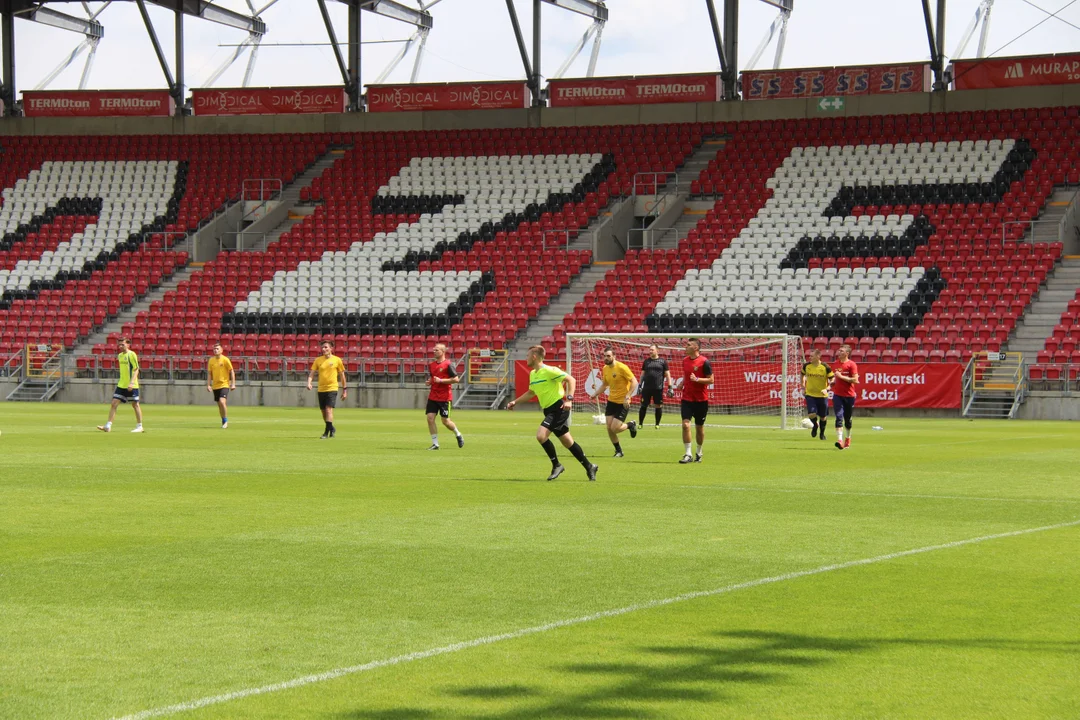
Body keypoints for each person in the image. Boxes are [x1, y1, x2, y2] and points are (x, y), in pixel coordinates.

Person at [506, 345, 598, 482]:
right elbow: (531, 392)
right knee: (567, 441)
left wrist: (569, 400)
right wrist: (515, 402)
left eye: (527, 355)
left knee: (541, 436)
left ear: (534, 357)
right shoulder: (533, 374)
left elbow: (571, 379)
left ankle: (557, 465)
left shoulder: (550, 370)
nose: (526, 358)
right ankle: (589, 466)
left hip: (559, 408)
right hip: (548, 410)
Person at [588, 347, 638, 457]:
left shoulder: (622, 367)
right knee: (609, 428)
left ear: (614, 356)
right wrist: (595, 394)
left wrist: (628, 396)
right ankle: (618, 451)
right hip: (611, 401)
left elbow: (634, 381)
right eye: (604, 356)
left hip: (622, 402)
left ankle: (631, 425)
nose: (606, 358)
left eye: (608, 356)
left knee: (615, 428)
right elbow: (605, 385)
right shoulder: (605, 368)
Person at [97, 337, 144, 433]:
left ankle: (140, 426)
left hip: (132, 385)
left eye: (122, 344)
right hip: (122, 384)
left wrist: (131, 382)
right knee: (114, 403)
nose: (120, 346)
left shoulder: (132, 355)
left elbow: (136, 369)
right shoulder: (120, 356)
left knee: (135, 405)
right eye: (119, 344)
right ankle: (108, 426)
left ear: (128, 344)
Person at [679, 337, 713, 464]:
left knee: (699, 428)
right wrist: (682, 382)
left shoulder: (705, 362)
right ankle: (688, 454)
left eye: (688, 345)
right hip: (687, 398)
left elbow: (711, 380)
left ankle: (699, 451)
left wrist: (697, 379)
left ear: (695, 348)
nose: (685, 347)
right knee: (685, 425)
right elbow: (686, 375)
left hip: (701, 400)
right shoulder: (685, 361)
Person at [425, 343, 464, 450]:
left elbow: (456, 379)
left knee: (445, 421)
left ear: (443, 352)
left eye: (436, 350)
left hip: (445, 397)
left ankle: (458, 434)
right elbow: (433, 378)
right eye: (433, 350)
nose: (434, 352)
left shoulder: (448, 364)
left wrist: (441, 381)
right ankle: (435, 444)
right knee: (430, 418)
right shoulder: (432, 365)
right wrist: (430, 382)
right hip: (433, 396)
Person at [306, 340, 347, 439]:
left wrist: (344, 389)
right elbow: (312, 373)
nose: (323, 349)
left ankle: (326, 433)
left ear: (331, 348)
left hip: (332, 388)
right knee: (323, 412)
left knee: (329, 410)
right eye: (322, 347)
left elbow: (342, 375)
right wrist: (309, 383)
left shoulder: (337, 360)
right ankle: (331, 428)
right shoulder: (318, 360)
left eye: (326, 347)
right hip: (321, 389)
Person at [638, 344, 673, 429]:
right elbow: (642, 374)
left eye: (652, 350)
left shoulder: (663, 361)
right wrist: (640, 385)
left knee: (658, 406)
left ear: (657, 351)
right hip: (646, 388)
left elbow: (668, 374)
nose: (650, 351)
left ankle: (657, 424)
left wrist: (670, 387)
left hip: (658, 388)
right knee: (643, 406)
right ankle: (640, 424)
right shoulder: (646, 361)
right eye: (649, 350)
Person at [831, 344, 859, 450]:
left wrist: (841, 377)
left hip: (849, 395)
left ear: (847, 353)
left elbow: (855, 380)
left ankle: (848, 437)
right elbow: (835, 378)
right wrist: (832, 382)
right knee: (838, 417)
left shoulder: (851, 364)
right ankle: (839, 440)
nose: (839, 352)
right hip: (837, 395)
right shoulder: (836, 363)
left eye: (842, 351)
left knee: (847, 420)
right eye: (839, 351)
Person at [801, 348, 833, 441]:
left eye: (812, 356)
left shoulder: (825, 367)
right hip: (810, 394)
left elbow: (833, 379)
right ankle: (815, 425)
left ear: (818, 356)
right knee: (811, 414)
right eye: (809, 356)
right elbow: (802, 374)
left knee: (823, 417)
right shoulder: (806, 366)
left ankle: (822, 433)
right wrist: (803, 386)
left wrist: (827, 388)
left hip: (822, 396)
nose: (809, 357)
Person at [206, 342, 236, 429]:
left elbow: (232, 371)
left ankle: (226, 421)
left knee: (222, 402)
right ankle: (223, 420)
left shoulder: (225, 360)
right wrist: (208, 385)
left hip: (224, 384)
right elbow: (209, 373)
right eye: (214, 349)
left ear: (221, 350)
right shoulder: (211, 360)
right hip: (215, 386)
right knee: (219, 404)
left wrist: (233, 384)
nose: (216, 350)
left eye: (217, 349)